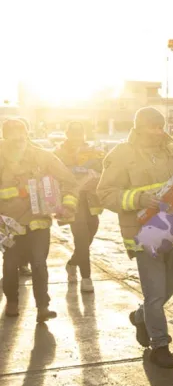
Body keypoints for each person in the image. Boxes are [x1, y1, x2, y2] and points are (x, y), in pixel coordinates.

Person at [96, 107, 173, 369]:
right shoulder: (120, 155)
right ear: (138, 127)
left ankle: (141, 317)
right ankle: (160, 345)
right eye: (152, 127)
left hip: (171, 228)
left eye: (160, 126)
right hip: (142, 232)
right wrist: (138, 199)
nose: (157, 131)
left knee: (171, 285)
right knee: (154, 293)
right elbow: (105, 193)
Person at [0, 117, 79, 321]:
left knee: (38, 263)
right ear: (5, 137)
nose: (17, 140)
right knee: (9, 265)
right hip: (9, 224)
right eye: (12, 136)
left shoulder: (43, 157)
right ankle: (12, 302)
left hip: (39, 222)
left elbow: (68, 181)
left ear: (27, 135)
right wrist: (19, 191)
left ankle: (43, 307)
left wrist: (68, 204)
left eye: (21, 135)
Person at [54, 121, 103, 293]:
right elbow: (55, 175)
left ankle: (72, 262)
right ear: (67, 134)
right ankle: (86, 278)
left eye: (79, 134)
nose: (76, 137)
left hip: (90, 199)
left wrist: (95, 172)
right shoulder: (58, 153)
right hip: (71, 200)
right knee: (81, 238)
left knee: (91, 232)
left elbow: (103, 170)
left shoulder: (93, 152)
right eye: (73, 134)